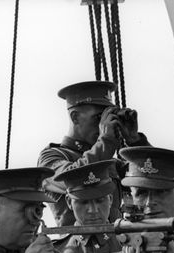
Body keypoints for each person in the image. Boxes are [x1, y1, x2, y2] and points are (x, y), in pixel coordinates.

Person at [37, 80, 149, 227]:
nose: (104, 123)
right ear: (75, 117)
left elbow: (151, 176)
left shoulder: (109, 162)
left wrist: (135, 141)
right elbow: (72, 177)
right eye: (98, 118)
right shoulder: (51, 157)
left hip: (116, 247)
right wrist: (106, 142)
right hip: (74, 247)